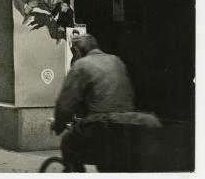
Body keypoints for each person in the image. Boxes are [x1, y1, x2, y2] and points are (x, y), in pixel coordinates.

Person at [53, 34, 159, 171]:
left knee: (68, 142)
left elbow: (66, 104)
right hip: (127, 124)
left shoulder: (81, 65)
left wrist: (59, 124)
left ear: (78, 51)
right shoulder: (116, 61)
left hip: (102, 125)